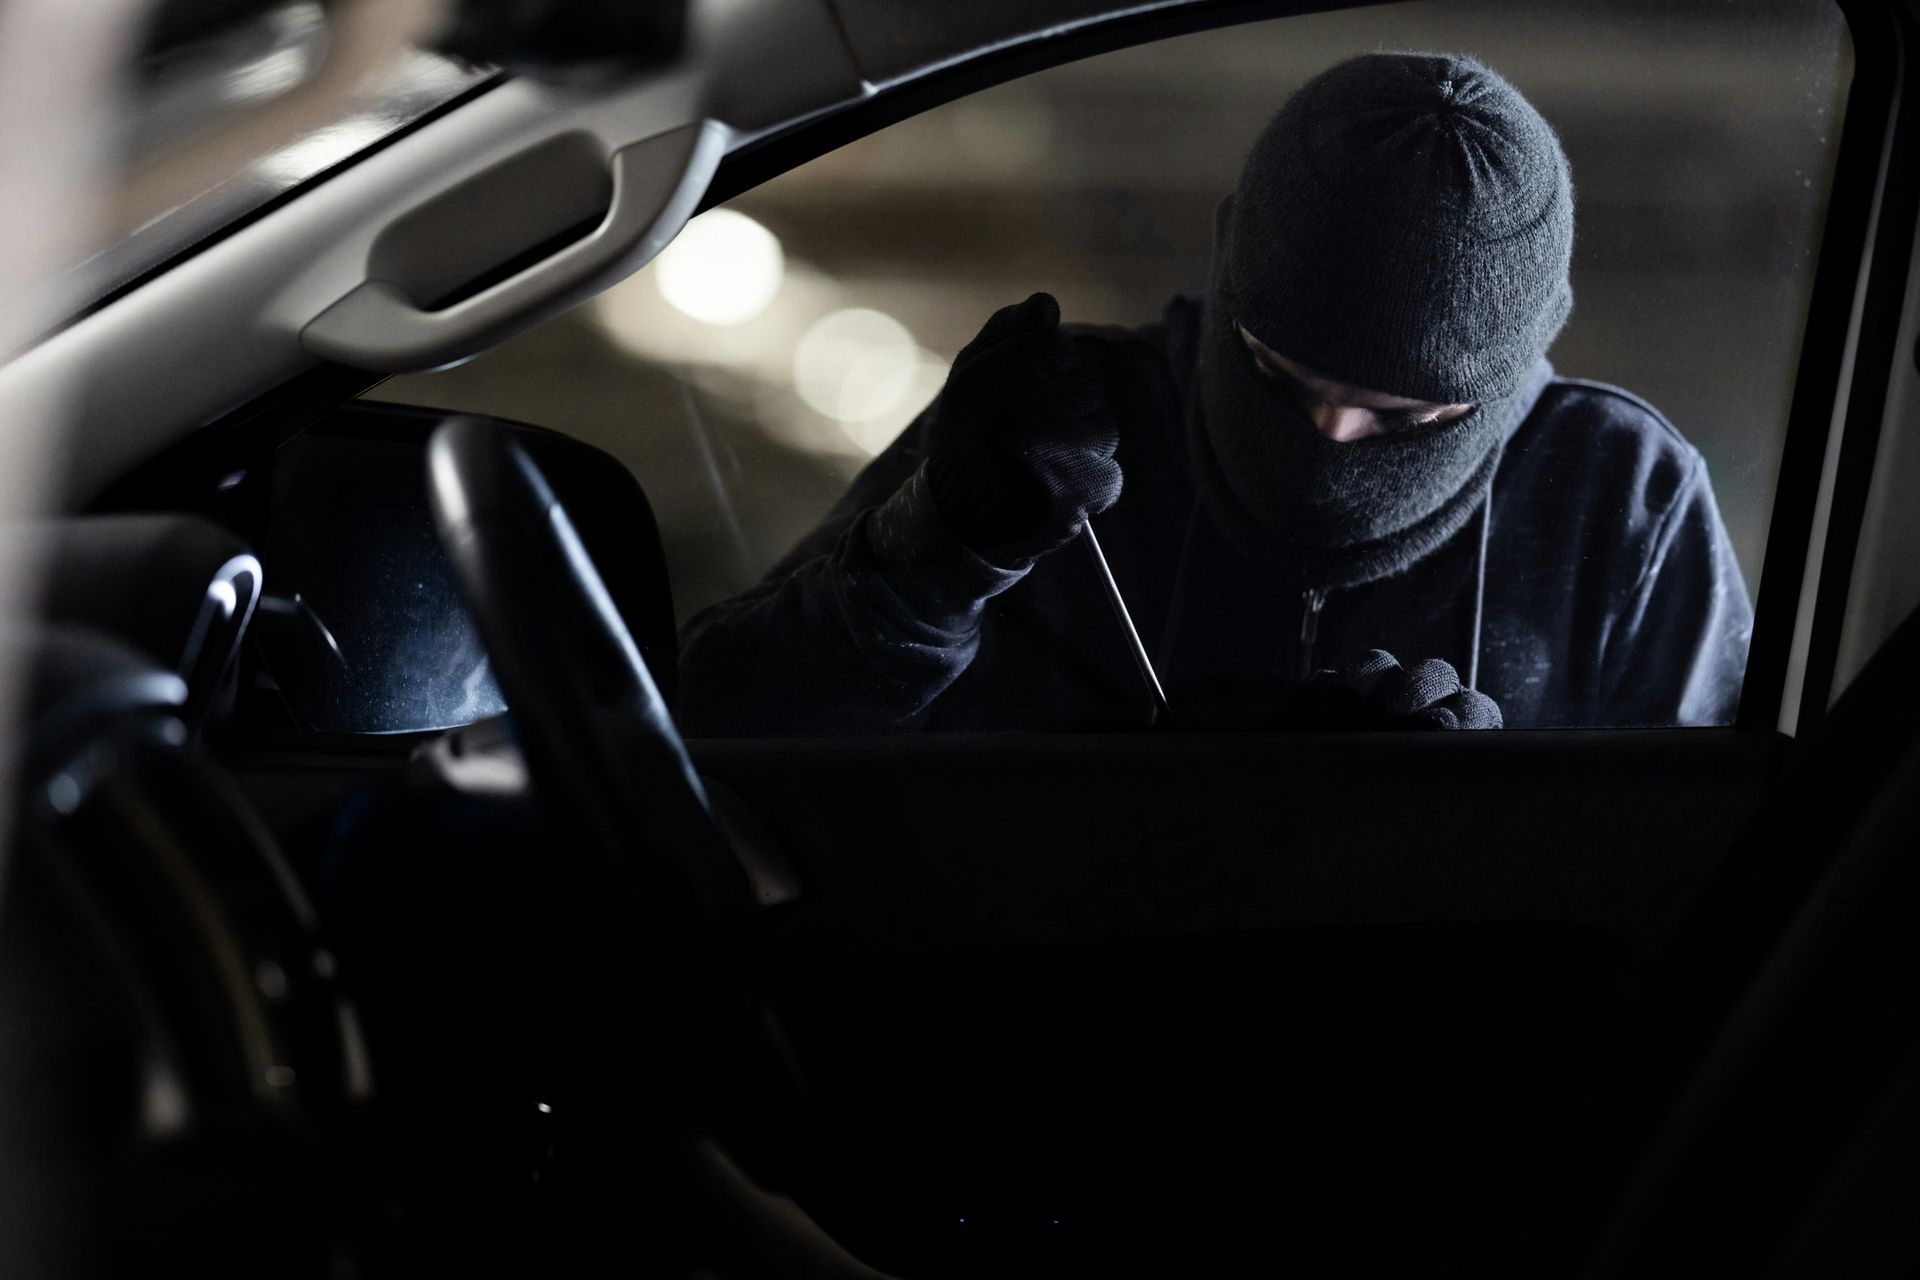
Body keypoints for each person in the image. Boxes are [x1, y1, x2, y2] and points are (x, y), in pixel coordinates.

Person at [678, 51, 1753, 735]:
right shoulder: (1055, 426)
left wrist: (1463, 831)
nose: (1329, 436)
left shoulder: (1615, 495)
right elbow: (703, 735)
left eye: (1405, 416)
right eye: (1278, 371)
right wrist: (927, 557)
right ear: (1225, 272)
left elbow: (1709, 890)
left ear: (1517, 369)